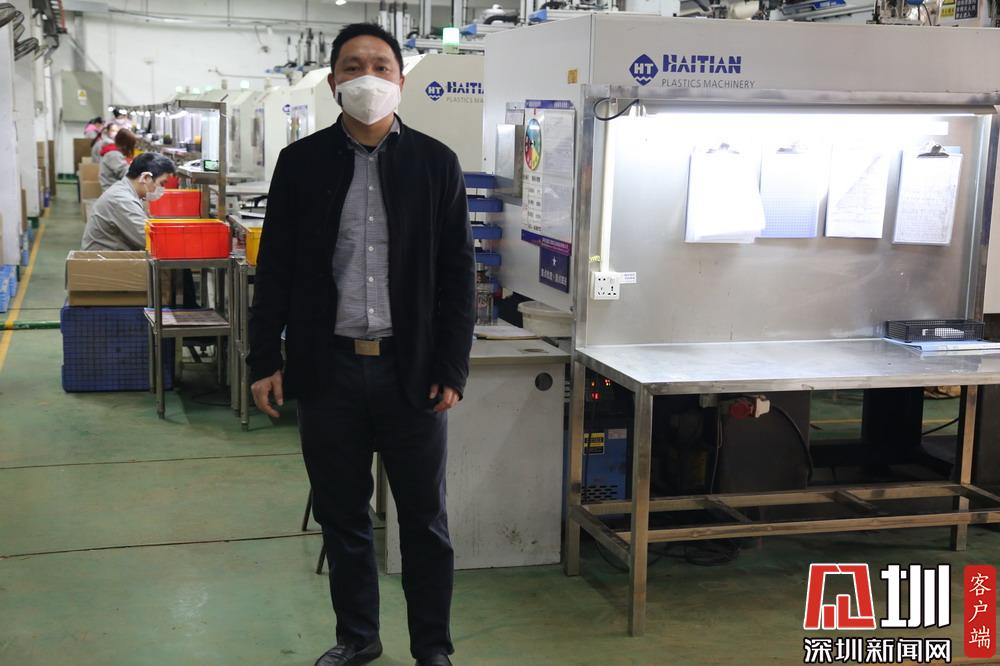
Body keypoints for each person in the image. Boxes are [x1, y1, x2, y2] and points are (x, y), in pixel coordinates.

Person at [247, 23, 475, 666]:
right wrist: (264, 359)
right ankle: (358, 638)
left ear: (400, 80)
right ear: (333, 83)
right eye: (352, 66)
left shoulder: (436, 163)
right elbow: (277, 269)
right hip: (329, 371)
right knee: (342, 516)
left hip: (411, 371)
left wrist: (452, 365)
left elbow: (458, 274)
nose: (366, 77)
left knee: (424, 522)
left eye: (380, 65)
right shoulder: (301, 163)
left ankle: (432, 648)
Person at [82, 152, 175, 251]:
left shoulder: (127, 190)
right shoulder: (122, 200)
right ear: (145, 178)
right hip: (104, 259)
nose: (162, 189)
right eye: (162, 183)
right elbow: (151, 240)